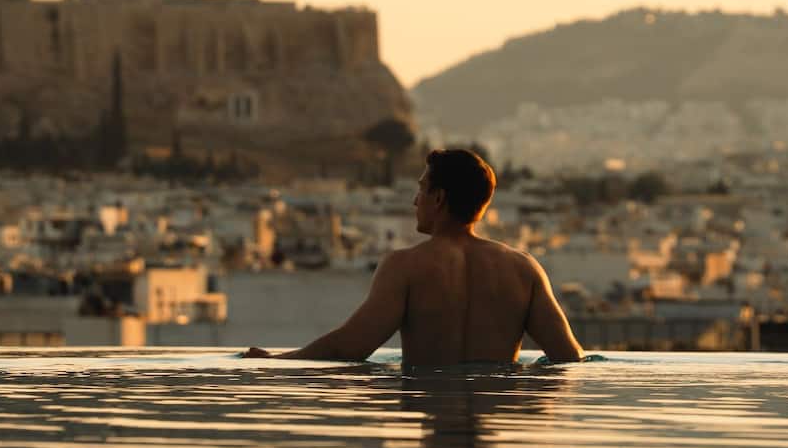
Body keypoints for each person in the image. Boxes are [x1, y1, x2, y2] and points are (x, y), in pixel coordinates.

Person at [243, 148, 585, 367]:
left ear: (438, 198)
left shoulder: (405, 267)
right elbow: (569, 359)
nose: (414, 201)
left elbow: (351, 346)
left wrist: (277, 362)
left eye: (421, 189)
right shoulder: (524, 270)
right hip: (494, 418)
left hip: (429, 403)